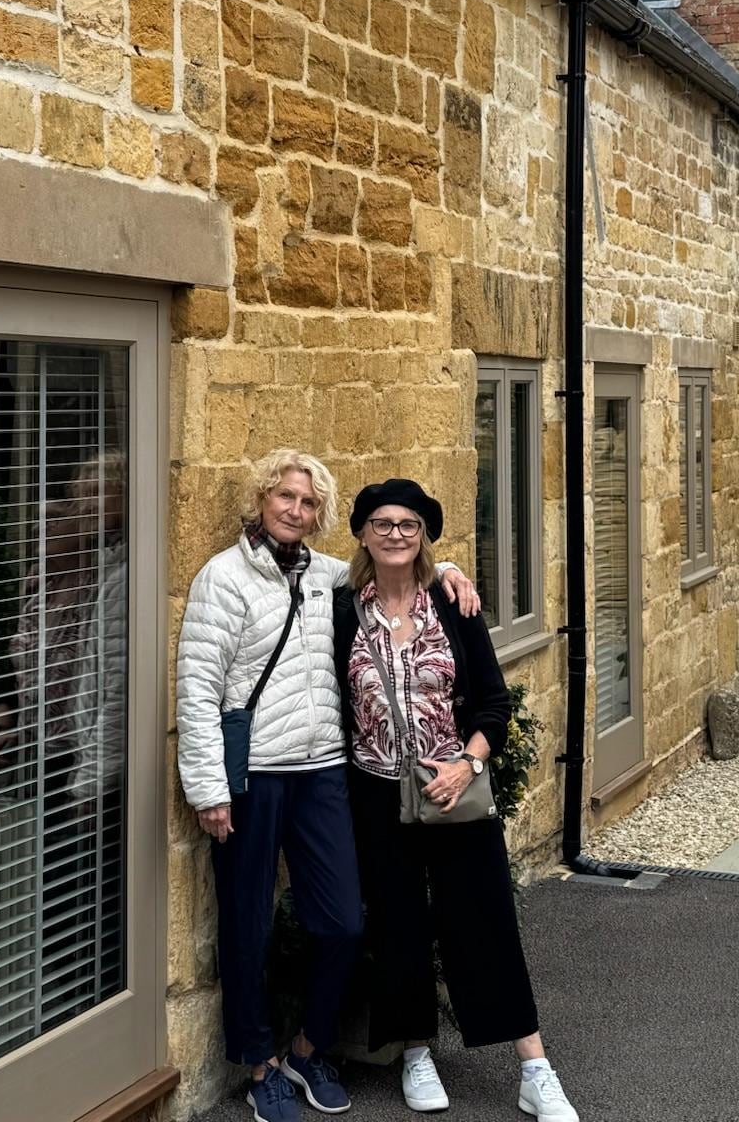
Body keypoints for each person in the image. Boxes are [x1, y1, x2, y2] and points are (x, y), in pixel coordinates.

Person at [176, 451, 480, 1122]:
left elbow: (398, 568)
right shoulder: (221, 580)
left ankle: (308, 1048)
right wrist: (209, 789)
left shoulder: (331, 578)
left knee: (343, 920)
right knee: (248, 924)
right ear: (261, 500)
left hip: (322, 772)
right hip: (252, 776)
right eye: (285, 496)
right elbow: (197, 689)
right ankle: (260, 1066)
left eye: (309, 503)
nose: (295, 510)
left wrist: (449, 568)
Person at [332, 479, 579, 1122]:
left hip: (455, 794)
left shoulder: (452, 603)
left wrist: (468, 762)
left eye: (409, 525)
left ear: (423, 537)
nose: (395, 534)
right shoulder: (340, 609)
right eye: (382, 523)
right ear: (361, 533)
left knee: (486, 919)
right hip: (376, 794)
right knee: (398, 925)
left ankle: (534, 1066)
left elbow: (495, 705)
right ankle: (415, 1052)